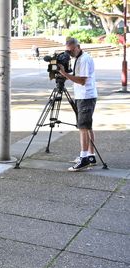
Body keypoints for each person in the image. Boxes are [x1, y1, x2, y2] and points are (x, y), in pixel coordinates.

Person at [58, 37, 98, 172]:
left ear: (78, 46)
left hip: (86, 97)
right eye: (67, 51)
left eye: (72, 50)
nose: (70, 53)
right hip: (83, 96)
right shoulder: (79, 58)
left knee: (83, 128)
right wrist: (65, 73)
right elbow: (77, 76)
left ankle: (84, 158)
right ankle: (91, 156)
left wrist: (64, 73)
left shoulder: (84, 59)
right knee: (88, 126)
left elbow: (81, 81)